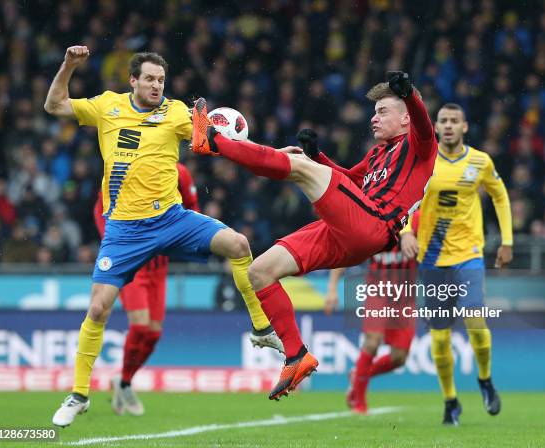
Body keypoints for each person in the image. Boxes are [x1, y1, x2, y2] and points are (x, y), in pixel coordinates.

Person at [46, 46, 282, 427]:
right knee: (97, 309)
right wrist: (69, 66)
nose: (157, 85)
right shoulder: (108, 106)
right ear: (133, 81)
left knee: (238, 245)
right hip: (123, 230)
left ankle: (260, 327)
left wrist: (274, 155)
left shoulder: (175, 113)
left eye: (161, 80)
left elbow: (217, 144)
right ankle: (79, 394)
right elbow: (54, 105)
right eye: (150, 79)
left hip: (171, 219)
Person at [190, 71, 437, 400]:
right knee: (259, 272)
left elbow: (423, 124)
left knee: (299, 169)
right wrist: (317, 157)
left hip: (373, 226)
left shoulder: (420, 144)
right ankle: (296, 356)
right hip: (349, 231)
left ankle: (214, 142)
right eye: (374, 112)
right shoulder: (379, 154)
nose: (374, 119)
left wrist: (410, 95)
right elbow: (350, 180)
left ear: (406, 117)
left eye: (382, 112)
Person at [399, 103, 513, 425]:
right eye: (443, 121)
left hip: (468, 256)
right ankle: (451, 401)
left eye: (454, 121)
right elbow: (406, 201)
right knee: (439, 337)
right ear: (435, 127)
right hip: (432, 260)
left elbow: (500, 195)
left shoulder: (480, 161)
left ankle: (485, 380)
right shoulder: (424, 163)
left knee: (475, 321)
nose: (448, 126)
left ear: (464, 127)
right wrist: (406, 232)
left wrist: (508, 241)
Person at [92, 163, 197, 416]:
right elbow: (100, 209)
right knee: (139, 326)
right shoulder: (124, 166)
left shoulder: (179, 172)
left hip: (159, 266)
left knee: (153, 333)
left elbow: (193, 208)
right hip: (133, 262)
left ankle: (124, 381)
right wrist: (116, 244)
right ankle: (123, 383)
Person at [325, 210, 420, 414]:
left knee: (399, 357)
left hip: (404, 295)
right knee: (372, 341)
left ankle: (358, 374)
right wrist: (332, 289)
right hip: (377, 290)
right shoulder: (373, 220)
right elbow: (345, 252)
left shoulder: (416, 218)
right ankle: (359, 403)